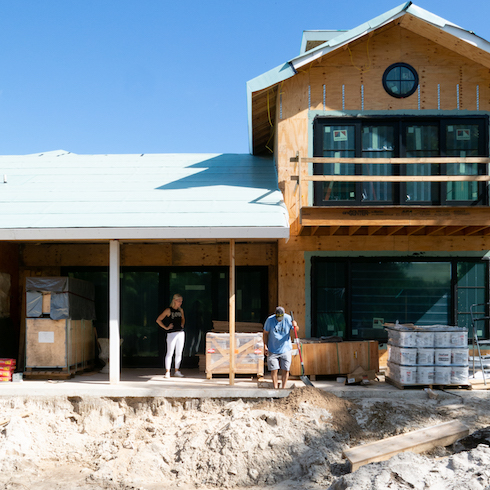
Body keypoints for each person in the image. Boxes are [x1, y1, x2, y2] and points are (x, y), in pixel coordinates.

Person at [263, 306, 298, 389]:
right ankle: (275, 388)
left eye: (281, 317)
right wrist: (265, 345)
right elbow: (265, 333)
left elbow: (296, 330)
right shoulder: (270, 320)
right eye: (278, 317)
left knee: (286, 369)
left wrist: (295, 326)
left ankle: (283, 388)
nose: (280, 319)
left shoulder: (288, 318)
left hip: (286, 348)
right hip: (273, 348)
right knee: (274, 369)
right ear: (275, 315)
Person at [156, 294, 185, 379]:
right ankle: (167, 371)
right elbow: (158, 320)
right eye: (179, 301)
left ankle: (177, 370)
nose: (180, 302)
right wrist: (166, 327)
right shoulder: (168, 310)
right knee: (170, 352)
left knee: (179, 352)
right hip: (171, 333)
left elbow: (183, 318)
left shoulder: (181, 310)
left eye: (181, 301)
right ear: (174, 300)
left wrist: (182, 324)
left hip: (180, 332)